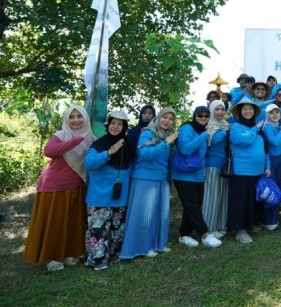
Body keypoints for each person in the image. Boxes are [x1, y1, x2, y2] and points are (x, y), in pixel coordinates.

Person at [24, 105, 94, 271]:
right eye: (72, 117)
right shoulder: (60, 135)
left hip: (76, 185)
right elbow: (49, 151)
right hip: (54, 186)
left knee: (71, 221)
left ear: (85, 118)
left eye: (79, 116)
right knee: (55, 222)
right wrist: (77, 139)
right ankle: (53, 257)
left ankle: (68, 253)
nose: (76, 120)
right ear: (66, 119)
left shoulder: (91, 138)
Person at [120, 107, 178, 259]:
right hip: (145, 178)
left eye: (171, 119)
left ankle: (158, 244)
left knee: (159, 214)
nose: (167, 121)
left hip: (160, 178)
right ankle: (143, 247)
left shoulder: (166, 135)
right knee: (144, 215)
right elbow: (144, 154)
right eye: (164, 117)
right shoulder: (148, 133)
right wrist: (165, 143)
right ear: (158, 118)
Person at [82, 111, 135, 271]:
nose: (115, 127)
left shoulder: (129, 144)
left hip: (120, 196)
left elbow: (132, 166)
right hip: (100, 196)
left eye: (119, 124)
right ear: (108, 125)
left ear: (124, 127)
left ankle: (113, 254)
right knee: (99, 229)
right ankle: (97, 260)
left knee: (117, 229)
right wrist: (108, 152)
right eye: (113, 123)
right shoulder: (99, 144)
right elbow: (89, 163)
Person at [171, 106, 223, 249]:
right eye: (200, 115)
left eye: (206, 116)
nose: (203, 118)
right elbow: (185, 149)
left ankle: (184, 235)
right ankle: (205, 234)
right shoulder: (187, 128)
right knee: (192, 205)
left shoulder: (203, 131)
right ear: (194, 116)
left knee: (193, 205)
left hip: (198, 174)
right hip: (183, 175)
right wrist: (206, 134)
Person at [228, 100, 271, 244]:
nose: (248, 111)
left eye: (250, 109)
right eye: (245, 109)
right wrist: (255, 129)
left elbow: (265, 150)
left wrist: (267, 166)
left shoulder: (258, 129)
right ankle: (240, 230)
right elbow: (243, 141)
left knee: (253, 200)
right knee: (241, 201)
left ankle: (251, 224)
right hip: (242, 170)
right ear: (240, 112)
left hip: (258, 171)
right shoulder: (235, 127)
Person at [202, 100, 230, 238]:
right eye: (217, 109)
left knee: (223, 196)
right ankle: (209, 227)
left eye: (222, 109)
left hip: (224, 165)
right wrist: (224, 131)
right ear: (212, 110)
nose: (220, 112)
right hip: (212, 164)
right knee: (211, 197)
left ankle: (221, 225)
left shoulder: (225, 124)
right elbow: (213, 140)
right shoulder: (209, 124)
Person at [261, 104, 281, 230]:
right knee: (272, 190)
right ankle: (269, 220)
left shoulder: (278, 125)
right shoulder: (267, 127)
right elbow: (275, 142)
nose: (274, 115)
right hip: (272, 160)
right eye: (271, 113)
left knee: (279, 189)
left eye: (277, 112)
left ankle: (274, 218)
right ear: (267, 115)